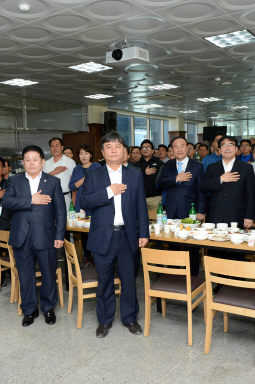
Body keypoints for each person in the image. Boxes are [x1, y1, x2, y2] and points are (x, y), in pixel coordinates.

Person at [80, 132, 149, 338]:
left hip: (128, 235)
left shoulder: (135, 174)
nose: (113, 150)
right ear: (102, 152)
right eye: (108, 147)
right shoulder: (94, 174)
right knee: (105, 280)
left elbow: (141, 207)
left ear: (125, 151)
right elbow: (84, 202)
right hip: (103, 236)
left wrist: (143, 232)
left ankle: (130, 318)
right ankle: (105, 320)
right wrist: (109, 192)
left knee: (129, 280)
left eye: (117, 146)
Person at [2, 145, 66, 326]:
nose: (31, 163)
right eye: (27, 159)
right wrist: (31, 200)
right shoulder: (15, 180)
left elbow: (61, 213)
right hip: (21, 236)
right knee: (25, 275)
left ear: (42, 162)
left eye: (34, 159)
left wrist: (60, 236)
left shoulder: (52, 182)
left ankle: (48, 309)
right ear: (23, 162)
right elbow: (6, 202)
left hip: (45, 236)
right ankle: (29, 310)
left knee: (48, 274)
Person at [157, 137, 206, 276]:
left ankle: (193, 276)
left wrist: (201, 211)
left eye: (182, 146)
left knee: (191, 245)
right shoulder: (168, 165)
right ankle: (175, 275)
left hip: (190, 211)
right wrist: (176, 179)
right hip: (171, 210)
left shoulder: (197, 166)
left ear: (187, 148)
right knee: (172, 244)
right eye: (175, 146)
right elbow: (160, 182)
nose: (179, 149)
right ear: (172, 149)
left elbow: (201, 191)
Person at [201, 136, 255, 228]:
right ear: (219, 149)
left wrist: (249, 216)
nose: (227, 148)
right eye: (224, 145)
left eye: (231, 145)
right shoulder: (212, 167)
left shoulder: (247, 168)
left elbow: (251, 194)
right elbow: (204, 187)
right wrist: (220, 179)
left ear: (237, 149)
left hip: (237, 214)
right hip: (215, 214)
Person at [43, 137, 75, 211]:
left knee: (65, 221)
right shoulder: (46, 163)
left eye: (57, 146)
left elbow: (74, 182)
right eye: (52, 146)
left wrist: (73, 201)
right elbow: (42, 180)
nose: (55, 148)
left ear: (62, 147)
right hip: (49, 199)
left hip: (65, 197)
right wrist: (54, 172)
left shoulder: (70, 162)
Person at [69, 144, 100, 214]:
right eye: (81, 154)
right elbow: (72, 187)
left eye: (86, 153)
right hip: (80, 203)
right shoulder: (76, 169)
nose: (84, 156)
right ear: (78, 156)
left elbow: (99, 184)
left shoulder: (96, 166)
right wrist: (85, 178)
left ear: (91, 155)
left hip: (94, 202)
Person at [134, 139, 163, 210]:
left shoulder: (159, 163)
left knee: (157, 219)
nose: (145, 149)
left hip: (156, 198)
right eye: (143, 147)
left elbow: (163, 179)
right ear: (140, 151)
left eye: (148, 147)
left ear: (153, 151)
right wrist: (145, 173)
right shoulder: (136, 165)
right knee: (142, 220)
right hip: (140, 198)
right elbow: (134, 180)